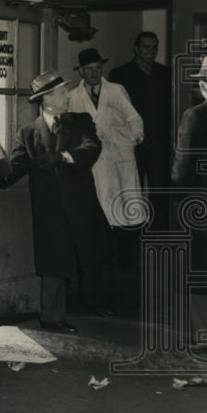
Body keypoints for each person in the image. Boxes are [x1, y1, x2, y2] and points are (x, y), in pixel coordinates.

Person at [2, 71, 107, 333]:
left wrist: (62, 156)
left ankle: (96, 304)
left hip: (81, 206)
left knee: (91, 255)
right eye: (62, 93)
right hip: (50, 211)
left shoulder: (81, 121)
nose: (68, 97)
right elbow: (14, 166)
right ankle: (51, 319)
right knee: (53, 264)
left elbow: (92, 147)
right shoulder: (27, 132)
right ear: (46, 99)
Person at [67, 48, 145, 276]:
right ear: (81, 71)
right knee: (100, 215)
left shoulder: (116, 90)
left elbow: (134, 119)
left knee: (125, 213)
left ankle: (125, 263)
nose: (94, 73)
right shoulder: (73, 97)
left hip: (119, 157)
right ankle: (104, 264)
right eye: (89, 69)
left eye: (98, 69)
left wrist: (133, 140)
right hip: (93, 163)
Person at [171, 54, 207, 348]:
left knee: (204, 268)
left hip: (205, 208)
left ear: (205, 85)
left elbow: (182, 170)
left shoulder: (195, 115)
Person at [108, 32, 172, 201]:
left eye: (154, 47)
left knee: (160, 194)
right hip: (131, 144)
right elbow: (113, 114)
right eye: (146, 47)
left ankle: (158, 228)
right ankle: (133, 227)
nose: (151, 51)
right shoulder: (119, 75)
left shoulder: (166, 74)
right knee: (130, 192)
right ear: (136, 49)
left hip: (159, 145)